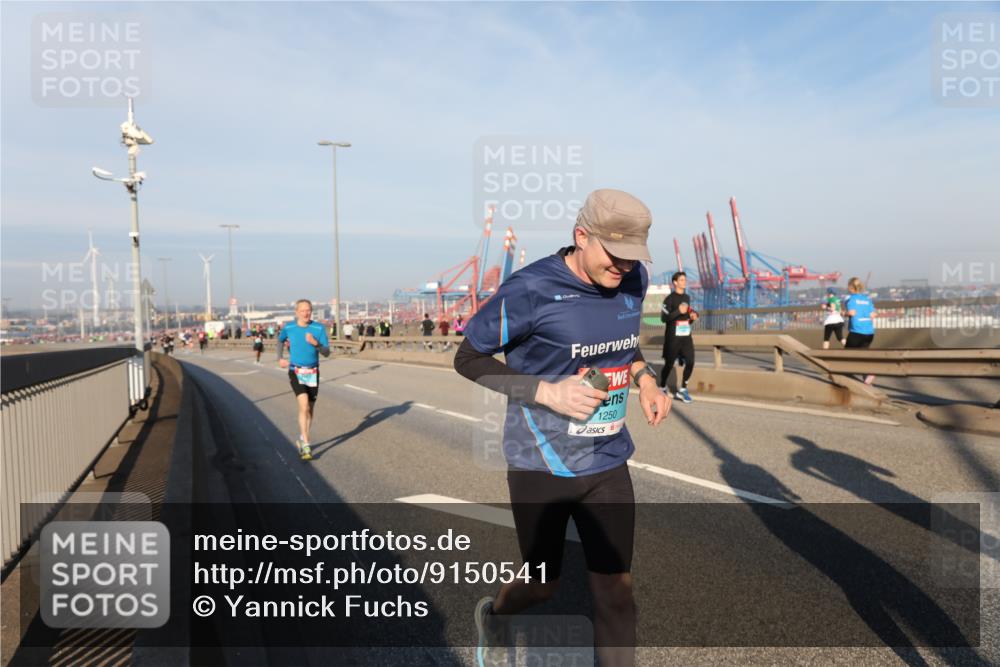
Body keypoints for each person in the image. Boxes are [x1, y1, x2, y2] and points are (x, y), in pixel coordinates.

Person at [455, 189, 670, 667]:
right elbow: (467, 358)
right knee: (541, 585)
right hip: (540, 462)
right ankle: (495, 615)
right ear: (581, 237)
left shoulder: (633, 281)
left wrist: (646, 380)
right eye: (616, 257)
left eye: (634, 259)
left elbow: (623, 344)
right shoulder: (531, 289)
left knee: (617, 592)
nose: (624, 269)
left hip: (608, 458)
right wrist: (546, 392)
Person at [277, 299, 331, 460]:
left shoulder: (318, 328)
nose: (306, 313)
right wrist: (280, 358)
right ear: (296, 312)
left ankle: (302, 438)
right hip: (296, 370)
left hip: (313, 372)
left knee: (310, 409)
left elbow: (327, 352)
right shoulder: (290, 328)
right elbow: (280, 341)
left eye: (309, 310)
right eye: (303, 310)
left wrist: (316, 343)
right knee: (304, 404)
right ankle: (306, 444)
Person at [659, 271, 698, 402]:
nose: (684, 282)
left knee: (691, 361)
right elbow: (664, 318)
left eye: (685, 280)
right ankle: (663, 386)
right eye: (681, 280)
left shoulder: (687, 297)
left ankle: (682, 390)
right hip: (672, 338)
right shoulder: (669, 299)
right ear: (675, 282)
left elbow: (686, 316)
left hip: (686, 336)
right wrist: (677, 311)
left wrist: (693, 316)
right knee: (669, 364)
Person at [844, 277, 877, 384]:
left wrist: (843, 313)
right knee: (863, 355)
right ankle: (868, 376)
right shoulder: (867, 299)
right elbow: (873, 315)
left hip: (856, 332)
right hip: (869, 332)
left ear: (850, 287)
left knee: (845, 356)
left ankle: (845, 378)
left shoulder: (851, 299)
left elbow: (852, 313)